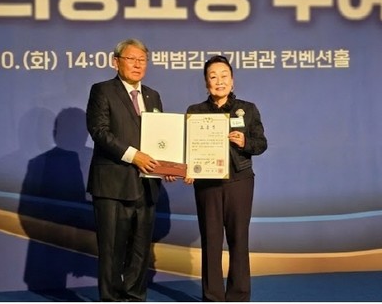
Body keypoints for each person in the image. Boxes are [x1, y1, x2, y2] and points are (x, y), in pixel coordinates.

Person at [86, 38, 171, 301]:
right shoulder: (102, 91)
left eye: (142, 60)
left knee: (140, 250)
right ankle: (111, 299)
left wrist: (167, 165)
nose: (137, 64)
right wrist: (135, 156)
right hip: (113, 185)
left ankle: (135, 298)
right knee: (112, 250)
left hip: (147, 184)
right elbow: (100, 132)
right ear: (116, 62)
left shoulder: (153, 95)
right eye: (131, 59)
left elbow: (162, 139)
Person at [184, 55, 268, 302]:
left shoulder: (247, 109)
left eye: (224, 76)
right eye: (213, 76)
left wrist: (245, 142)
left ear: (232, 81)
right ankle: (213, 297)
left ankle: (238, 296)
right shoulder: (195, 112)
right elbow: (187, 148)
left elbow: (261, 144)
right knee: (211, 241)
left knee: (238, 239)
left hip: (239, 182)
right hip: (207, 184)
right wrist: (187, 168)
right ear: (206, 82)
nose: (219, 81)